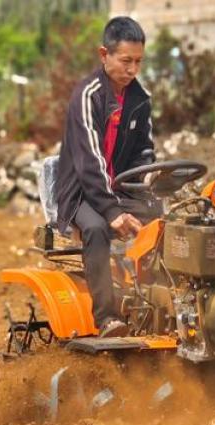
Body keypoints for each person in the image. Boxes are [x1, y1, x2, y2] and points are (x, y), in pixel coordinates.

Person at [54, 16, 159, 338]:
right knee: (97, 229)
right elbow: (89, 161)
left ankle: (160, 304)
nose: (132, 70)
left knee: (165, 220)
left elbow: (145, 151)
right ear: (104, 55)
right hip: (81, 194)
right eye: (125, 61)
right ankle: (107, 317)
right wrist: (113, 211)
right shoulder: (88, 96)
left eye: (138, 62)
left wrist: (147, 185)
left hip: (117, 190)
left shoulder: (140, 99)